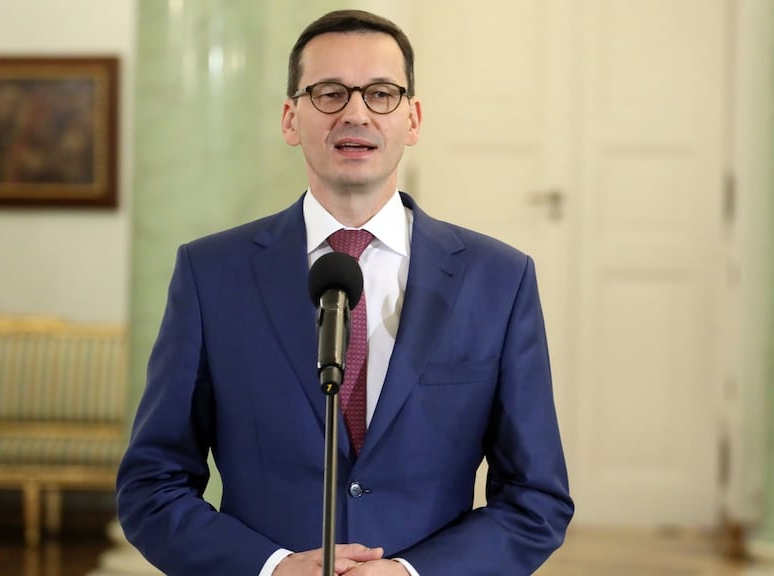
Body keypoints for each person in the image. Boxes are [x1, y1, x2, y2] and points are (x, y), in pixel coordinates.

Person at [116, 9, 574, 576]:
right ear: (290, 118)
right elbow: (151, 486)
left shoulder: (498, 280)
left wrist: (411, 574)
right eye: (329, 93)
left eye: (381, 93)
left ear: (413, 118)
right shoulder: (211, 274)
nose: (355, 113)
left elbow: (537, 501)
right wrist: (272, 567)